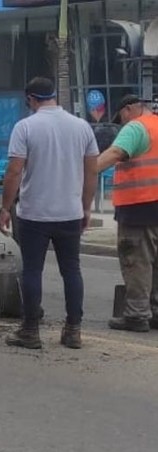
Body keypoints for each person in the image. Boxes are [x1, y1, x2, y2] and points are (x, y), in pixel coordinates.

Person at [0, 77, 99, 349]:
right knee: (72, 271)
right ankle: (73, 330)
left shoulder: (25, 127)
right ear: (54, 96)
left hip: (34, 214)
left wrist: (5, 208)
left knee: (32, 270)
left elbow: (14, 171)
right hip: (69, 212)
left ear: (31, 99)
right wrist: (86, 206)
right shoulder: (81, 127)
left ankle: (30, 331)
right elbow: (92, 171)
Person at [96, 94, 158, 332]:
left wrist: (85, 173)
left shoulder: (136, 127)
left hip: (139, 206)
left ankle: (136, 314)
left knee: (137, 261)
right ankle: (155, 310)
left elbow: (114, 154)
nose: (121, 124)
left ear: (129, 109)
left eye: (121, 117)